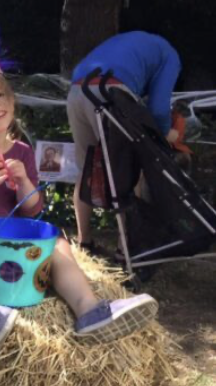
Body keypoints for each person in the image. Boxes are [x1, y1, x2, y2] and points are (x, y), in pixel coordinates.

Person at [0, 33, 159, 359]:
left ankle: (89, 309)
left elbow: (32, 209)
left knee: (57, 243)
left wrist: (22, 182)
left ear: (12, 101)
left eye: (0, 95)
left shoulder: (21, 150)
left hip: (11, 232)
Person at [66, 31, 181, 252]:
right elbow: (158, 108)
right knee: (128, 170)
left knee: (86, 168)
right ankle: (125, 248)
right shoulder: (171, 56)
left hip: (76, 91)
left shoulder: (137, 43)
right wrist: (166, 134)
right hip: (111, 92)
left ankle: (84, 242)